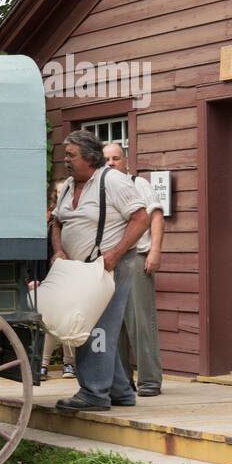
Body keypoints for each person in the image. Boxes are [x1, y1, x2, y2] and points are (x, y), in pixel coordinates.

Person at [51, 130, 150, 411]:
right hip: (79, 270)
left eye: (71, 155)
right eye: (65, 155)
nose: (66, 160)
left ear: (90, 158)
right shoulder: (70, 185)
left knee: (94, 328)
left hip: (110, 268)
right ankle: (121, 392)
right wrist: (58, 250)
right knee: (95, 327)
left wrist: (115, 255)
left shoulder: (112, 181)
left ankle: (94, 393)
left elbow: (141, 218)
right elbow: (57, 222)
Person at [103, 142, 164, 397]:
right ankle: (123, 381)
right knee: (114, 324)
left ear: (125, 161)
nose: (111, 163)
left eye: (116, 158)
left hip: (138, 257)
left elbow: (156, 216)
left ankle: (149, 381)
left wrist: (155, 251)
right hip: (110, 262)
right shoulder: (102, 189)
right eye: (106, 159)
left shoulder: (139, 184)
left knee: (141, 322)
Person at [32, 180, 75, 380]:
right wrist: (36, 277)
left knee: (70, 317)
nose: (61, 195)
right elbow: (40, 253)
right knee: (49, 320)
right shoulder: (48, 220)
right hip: (50, 272)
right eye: (58, 192)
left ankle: (69, 364)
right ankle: (43, 364)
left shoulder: (75, 215)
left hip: (72, 270)